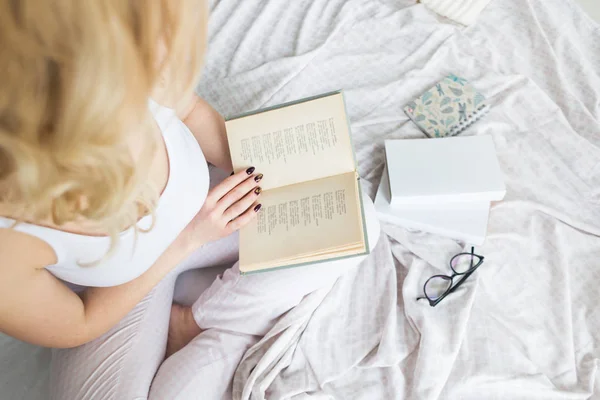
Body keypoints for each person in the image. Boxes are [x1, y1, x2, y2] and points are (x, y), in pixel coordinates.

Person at [0, 1, 380, 398]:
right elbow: (79, 322)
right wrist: (189, 239)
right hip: (117, 296)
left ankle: (196, 320)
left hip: (208, 219)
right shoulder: (9, 240)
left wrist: (261, 165)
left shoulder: (134, 55)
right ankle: (220, 318)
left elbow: (191, 109)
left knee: (356, 214)